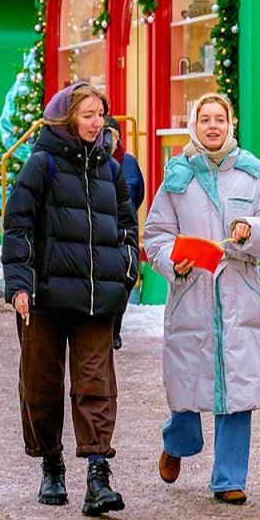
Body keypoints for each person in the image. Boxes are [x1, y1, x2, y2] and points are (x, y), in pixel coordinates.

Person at [0, 82, 138, 516]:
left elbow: (127, 226)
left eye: (100, 115)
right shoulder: (41, 163)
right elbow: (18, 225)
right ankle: (51, 462)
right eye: (87, 115)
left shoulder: (111, 168)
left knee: (96, 384)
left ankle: (98, 476)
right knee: (41, 384)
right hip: (44, 297)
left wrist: (126, 270)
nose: (97, 123)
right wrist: (19, 284)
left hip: (97, 299)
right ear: (67, 119)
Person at [143, 93, 260, 504]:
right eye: (204, 119)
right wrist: (174, 262)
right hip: (193, 295)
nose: (212, 126)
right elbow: (156, 236)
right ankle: (177, 442)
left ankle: (229, 479)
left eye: (219, 119)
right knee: (188, 384)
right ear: (194, 125)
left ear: (230, 124)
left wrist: (250, 229)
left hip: (239, 296)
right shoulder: (177, 177)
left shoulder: (253, 175)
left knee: (237, 389)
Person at [103, 115, 146, 349]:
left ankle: (115, 327)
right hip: (101, 230)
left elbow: (138, 193)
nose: (109, 141)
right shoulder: (91, 161)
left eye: (113, 136)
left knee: (124, 280)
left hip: (123, 230)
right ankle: (105, 330)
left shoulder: (128, 162)